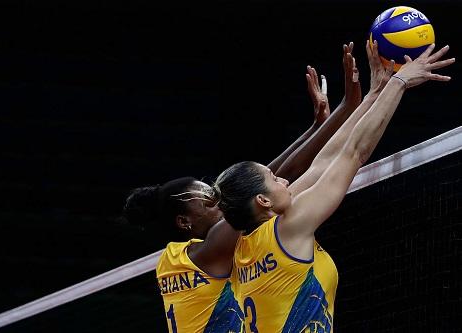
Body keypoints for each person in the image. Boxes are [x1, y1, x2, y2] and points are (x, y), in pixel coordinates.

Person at [212, 42, 454, 333]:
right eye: (274, 179)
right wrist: (400, 82)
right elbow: (354, 153)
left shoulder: (245, 246)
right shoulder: (290, 227)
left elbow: (322, 163)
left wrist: (375, 93)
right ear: (263, 200)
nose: (285, 179)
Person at [123, 43, 363, 333]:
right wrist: (345, 110)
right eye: (210, 202)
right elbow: (272, 177)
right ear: (184, 221)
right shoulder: (213, 249)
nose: (219, 201)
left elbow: (265, 177)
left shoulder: (170, 261)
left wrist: (317, 127)